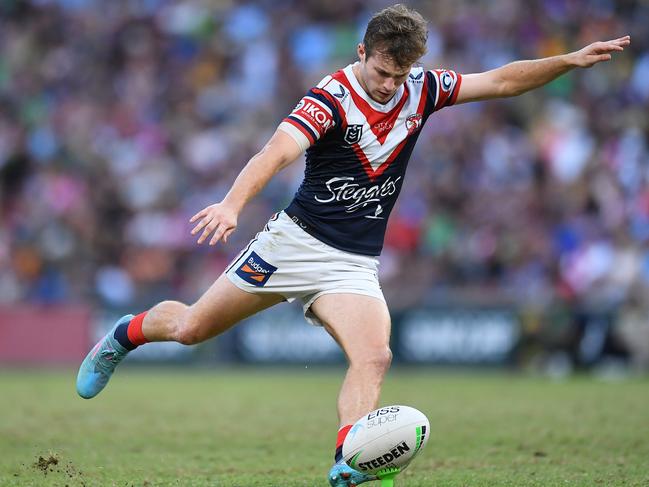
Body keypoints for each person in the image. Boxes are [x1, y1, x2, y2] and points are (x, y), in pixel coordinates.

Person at [76, 4, 630, 485]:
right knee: (192, 328)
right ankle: (123, 335)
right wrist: (231, 204)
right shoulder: (329, 100)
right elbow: (275, 153)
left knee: (375, 356)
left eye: (401, 72)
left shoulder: (423, 89)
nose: (391, 83)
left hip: (353, 263)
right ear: (362, 51)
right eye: (383, 70)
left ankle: (350, 462)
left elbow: (503, 81)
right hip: (292, 245)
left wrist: (567, 60)